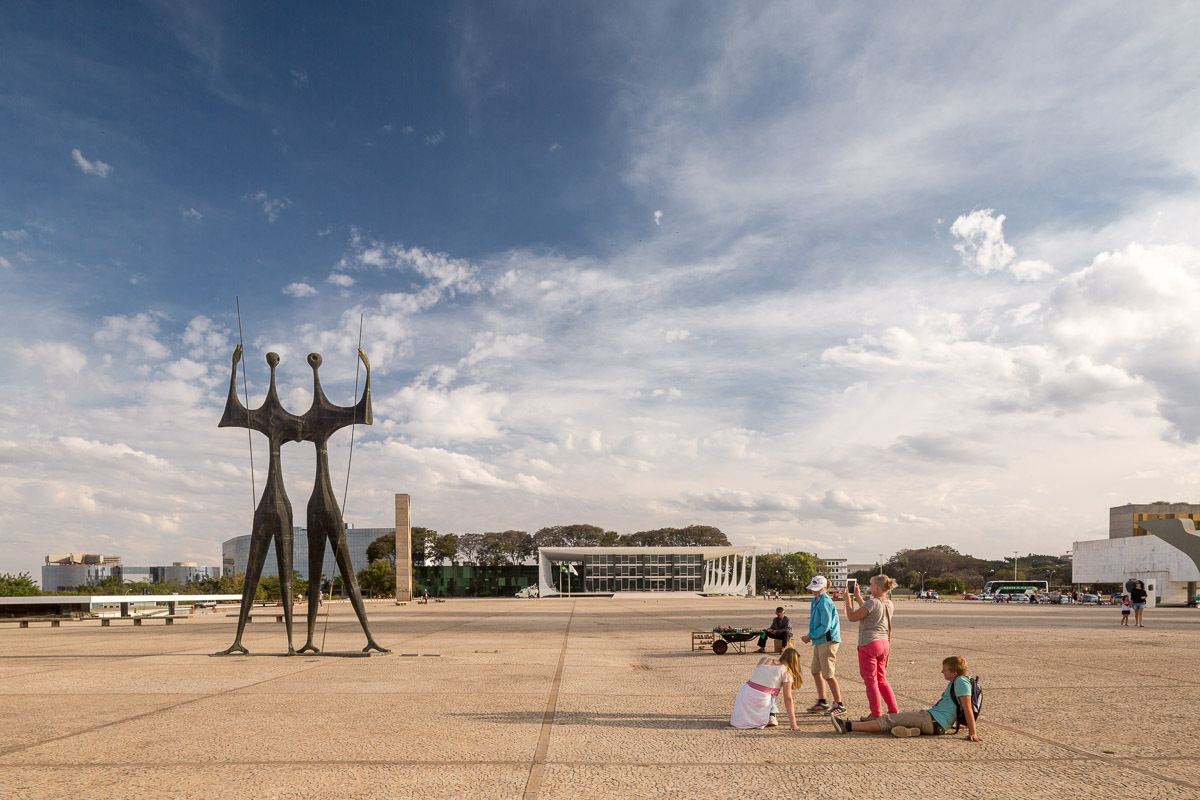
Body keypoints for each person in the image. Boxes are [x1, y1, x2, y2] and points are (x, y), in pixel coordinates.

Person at [830, 655, 982, 742]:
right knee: (898, 720)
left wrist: (972, 732)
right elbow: (956, 707)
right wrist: (956, 723)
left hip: (932, 720)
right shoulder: (961, 681)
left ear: (955, 672)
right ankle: (912, 730)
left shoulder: (961, 682)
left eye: (945, 669)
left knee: (888, 720)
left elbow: (967, 707)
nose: (942, 671)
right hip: (935, 722)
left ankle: (848, 726)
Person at [844, 575, 899, 720]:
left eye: (871, 584)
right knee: (882, 679)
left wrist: (847, 600)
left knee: (870, 680)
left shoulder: (872, 602)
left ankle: (876, 714)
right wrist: (857, 596)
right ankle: (894, 711)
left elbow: (853, 617)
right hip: (884, 643)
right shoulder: (889, 603)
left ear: (877, 587)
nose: (870, 587)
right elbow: (868, 610)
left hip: (869, 643)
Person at [801, 575, 844, 715]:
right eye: (813, 588)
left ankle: (839, 703)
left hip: (828, 639)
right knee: (815, 670)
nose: (814, 591)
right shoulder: (815, 600)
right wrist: (812, 635)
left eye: (817, 588)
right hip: (819, 640)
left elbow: (825, 625)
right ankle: (822, 701)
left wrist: (809, 636)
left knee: (828, 673)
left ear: (824, 588)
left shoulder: (825, 601)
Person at [730, 646, 802, 730]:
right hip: (760, 699)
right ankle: (771, 715)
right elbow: (788, 698)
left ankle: (760, 716)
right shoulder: (786, 671)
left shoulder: (764, 660)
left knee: (770, 688)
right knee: (773, 692)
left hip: (744, 693)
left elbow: (760, 678)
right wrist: (793, 723)